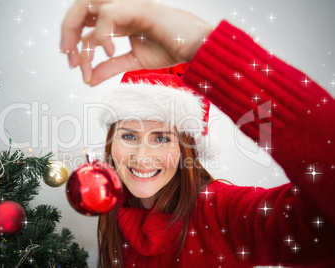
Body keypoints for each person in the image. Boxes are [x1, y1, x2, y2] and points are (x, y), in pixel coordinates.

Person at [60, 0, 335, 267]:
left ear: (187, 148)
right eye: (129, 136)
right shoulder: (112, 206)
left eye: (162, 138)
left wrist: (200, 45)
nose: (142, 157)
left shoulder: (222, 214)